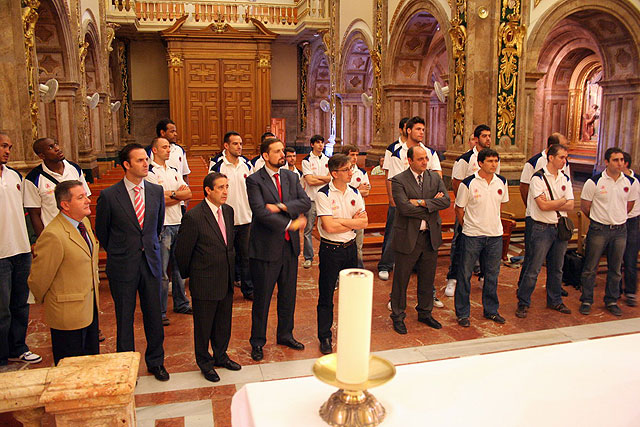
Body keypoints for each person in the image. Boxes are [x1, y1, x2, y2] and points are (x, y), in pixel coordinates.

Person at [95, 143, 169, 381]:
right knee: (124, 317)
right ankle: (125, 366)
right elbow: (102, 232)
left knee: (154, 315)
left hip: (150, 261)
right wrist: (121, 250)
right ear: (126, 165)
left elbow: (157, 226)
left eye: (146, 159)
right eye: (139, 160)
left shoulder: (156, 192)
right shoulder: (109, 195)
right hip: (122, 264)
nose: (146, 163)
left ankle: (156, 361)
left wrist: (148, 247)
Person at [246, 137, 311, 362]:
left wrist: (282, 207)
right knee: (263, 298)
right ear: (265, 155)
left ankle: (285, 334)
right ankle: (257, 341)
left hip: (289, 247)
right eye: (277, 151)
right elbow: (260, 212)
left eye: (283, 150)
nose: (282, 155)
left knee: (288, 295)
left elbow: (305, 203)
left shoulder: (292, 177)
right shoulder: (255, 180)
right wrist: (289, 223)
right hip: (266, 248)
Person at [175, 172, 241, 382]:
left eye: (227, 187)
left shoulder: (228, 212)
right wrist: (194, 276)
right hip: (204, 281)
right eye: (220, 187)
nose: (225, 192)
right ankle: (205, 362)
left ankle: (221, 356)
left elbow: (228, 244)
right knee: (204, 326)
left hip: (225, 277)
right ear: (208, 190)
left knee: (223, 323)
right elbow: (182, 253)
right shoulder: (194, 217)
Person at [28, 180, 99, 365]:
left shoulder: (83, 222)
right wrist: (49, 301)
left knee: (90, 363)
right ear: (65, 205)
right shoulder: (53, 235)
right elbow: (39, 278)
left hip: (89, 307)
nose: (87, 200)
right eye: (81, 197)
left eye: (86, 196)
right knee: (70, 367)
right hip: (67, 313)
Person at [389, 146, 450, 334]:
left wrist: (421, 202)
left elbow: (446, 201)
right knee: (401, 279)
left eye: (426, 158)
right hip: (408, 236)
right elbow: (404, 208)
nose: (425, 162)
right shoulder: (399, 180)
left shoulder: (434, 178)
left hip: (429, 236)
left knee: (427, 277)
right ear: (410, 160)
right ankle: (398, 315)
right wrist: (432, 204)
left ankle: (425, 312)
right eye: (420, 159)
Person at [315, 154, 368, 354]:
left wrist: (341, 221)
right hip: (331, 250)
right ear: (334, 173)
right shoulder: (324, 194)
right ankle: (325, 336)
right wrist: (350, 222)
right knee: (326, 294)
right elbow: (327, 226)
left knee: (351, 294)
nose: (350, 172)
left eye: (350, 169)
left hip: (350, 248)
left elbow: (364, 223)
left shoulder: (355, 192)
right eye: (346, 169)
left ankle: (349, 333)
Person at [378, 116, 442, 282]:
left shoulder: (430, 152)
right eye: (418, 129)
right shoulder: (397, 152)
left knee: (420, 236)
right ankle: (386, 264)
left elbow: (437, 177)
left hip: (423, 205)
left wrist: (424, 201)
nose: (421, 132)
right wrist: (395, 201)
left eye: (423, 129)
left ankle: (416, 264)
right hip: (402, 204)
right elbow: (394, 179)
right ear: (408, 130)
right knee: (394, 234)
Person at [515, 144, 574, 318]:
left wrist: (555, 203)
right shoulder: (538, 178)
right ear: (551, 157)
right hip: (541, 228)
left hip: (559, 228)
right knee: (533, 268)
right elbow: (542, 205)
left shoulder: (565, 179)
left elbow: (571, 204)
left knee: (557, 268)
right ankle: (523, 301)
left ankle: (555, 300)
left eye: (565, 158)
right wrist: (561, 201)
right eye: (561, 157)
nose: (564, 161)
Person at [579, 147, 638, 316]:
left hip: (620, 230)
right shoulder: (595, 182)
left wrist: (617, 217)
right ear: (606, 162)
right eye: (615, 160)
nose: (620, 163)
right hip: (599, 229)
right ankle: (586, 299)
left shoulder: (630, 182)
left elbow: (629, 205)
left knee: (616, 268)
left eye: (621, 160)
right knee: (590, 267)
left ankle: (611, 299)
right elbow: (585, 206)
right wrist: (600, 218)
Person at [454, 148, 509, 327]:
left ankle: (491, 310)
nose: (494, 164)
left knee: (492, 275)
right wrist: (468, 226)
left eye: (496, 161)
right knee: (465, 274)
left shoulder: (502, 182)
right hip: (472, 235)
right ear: (480, 163)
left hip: (494, 235)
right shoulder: (468, 183)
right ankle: (463, 313)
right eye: (490, 161)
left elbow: (499, 207)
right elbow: (459, 209)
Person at [0, 132, 41, 366]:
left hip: (20, 249)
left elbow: (26, 212)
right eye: (4, 146)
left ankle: (19, 346)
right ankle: (2, 353)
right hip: (1, 254)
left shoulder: (15, 176)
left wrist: (31, 239)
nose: (8, 151)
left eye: (10, 147)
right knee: (2, 308)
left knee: (20, 303)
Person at [444, 124, 498, 297]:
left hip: (486, 211)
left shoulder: (494, 159)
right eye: (484, 136)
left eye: (489, 136)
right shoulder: (465, 159)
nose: (488, 139)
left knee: (486, 244)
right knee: (460, 243)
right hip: (467, 209)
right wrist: (464, 206)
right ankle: (453, 278)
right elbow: (456, 183)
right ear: (475, 139)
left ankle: (483, 276)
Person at [145, 137, 193, 325]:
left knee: (179, 267)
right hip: (162, 225)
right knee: (162, 271)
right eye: (164, 147)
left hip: (178, 222)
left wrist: (169, 194)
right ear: (155, 150)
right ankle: (160, 310)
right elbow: (156, 199)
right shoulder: (149, 173)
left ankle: (181, 303)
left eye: (169, 148)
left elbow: (187, 193)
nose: (168, 150)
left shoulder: (173, 171)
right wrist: (175, 194)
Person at [210, 132, 255, 301]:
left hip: (245, 216)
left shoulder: (246, 164)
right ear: (226, 146)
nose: (239, 147)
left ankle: (248, 289)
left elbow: (252, 189)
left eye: (241, 143)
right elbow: (211, 190)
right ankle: (225, 289)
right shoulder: (217, 164)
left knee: (246, 256)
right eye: (235, 144)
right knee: (226, 256)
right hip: (224, 218)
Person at [23, 137, 91, 237]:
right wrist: (43, 239)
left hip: (78, 229)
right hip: (54, 233)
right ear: (42, 155)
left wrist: (88, 230)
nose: (57, 148)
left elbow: (86, 199)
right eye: (50, 147)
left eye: (56, 144)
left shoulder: (74, 168)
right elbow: (34, 214)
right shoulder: (33, 179)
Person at [301, 134, 331, 269]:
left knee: (326, 228)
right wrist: (323, 178)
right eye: (318, 143)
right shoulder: (306, 160)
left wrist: (317, 178)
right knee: (308, 229)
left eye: (322, 143)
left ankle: (325, 255)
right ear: (312, 144)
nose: (321, 145)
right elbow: (310, 181)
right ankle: (308, 257)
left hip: (325, 199)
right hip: (311, 199)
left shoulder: (327, 160)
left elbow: (331, 178)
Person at [341, 144, 370, 267]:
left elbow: (366, 192)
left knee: (358, 245)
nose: (355, 158)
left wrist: (354, 190)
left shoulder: (362, 172)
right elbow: (342, 191)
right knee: (342, 244)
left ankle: (359, 268)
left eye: (357, 155)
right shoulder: (340, 172)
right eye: (352, 155)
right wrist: (358, 189)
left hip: (358, 212)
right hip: (344, 213)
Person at [621, 152, 639, 307]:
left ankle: (630, 291)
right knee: (615, 257)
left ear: (625, 163)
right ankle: (615, 289)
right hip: (616, 221)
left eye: (620, 160)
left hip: (632, 221)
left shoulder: (636, 180)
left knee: (630, 257)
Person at [152, 119, 191, 183]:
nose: (175, 134)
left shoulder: (179, 150)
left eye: (175, 131)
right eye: (172, 132)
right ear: (162, 133)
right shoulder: (150, 151)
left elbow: (184, 174)